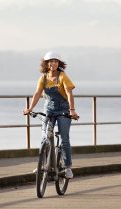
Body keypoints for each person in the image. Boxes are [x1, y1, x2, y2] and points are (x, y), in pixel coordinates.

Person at [23, 51, 78, 179]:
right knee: (44, 138)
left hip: (64, 109)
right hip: (48, 109)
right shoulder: (43, 78)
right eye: (50, 61)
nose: (53, 63)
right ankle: (42, 165)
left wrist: (72, 110)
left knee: (64, 139)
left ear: (58, 64)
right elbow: (37, 93)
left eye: (55, 61)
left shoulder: (63, 76)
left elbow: (69, 93)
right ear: (46, 64)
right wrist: (30, 108)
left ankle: (68, 167)